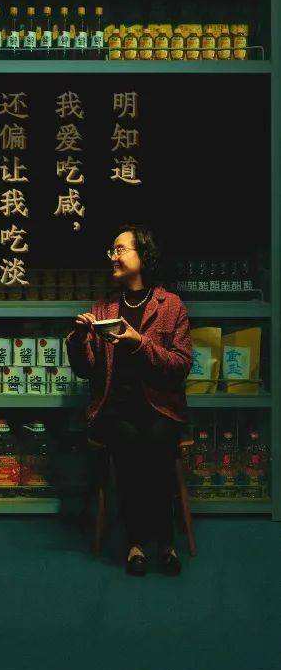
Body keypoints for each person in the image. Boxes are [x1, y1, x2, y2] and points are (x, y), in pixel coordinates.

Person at [65, 226, 192, 577]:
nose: (113, 256)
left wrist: (140, 343)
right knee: (129, 440)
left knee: (157, 439)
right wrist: (78, 339)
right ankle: (139, 542)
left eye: (120, 249)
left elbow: (180, 366)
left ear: (143, 256)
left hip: (161, 407)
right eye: (112, 250)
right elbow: (85, 369)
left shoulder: (171, 306)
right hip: (114, 407)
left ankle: (162, 542)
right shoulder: (104, 307)